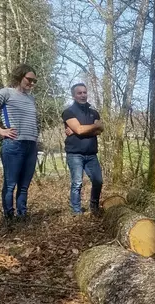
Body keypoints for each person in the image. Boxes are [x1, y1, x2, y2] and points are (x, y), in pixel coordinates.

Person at [0, 64, 40, 222]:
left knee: (24, 185)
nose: (31, 83)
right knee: (10, 184)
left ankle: (22, 218)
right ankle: (9, 219)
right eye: (29, 79)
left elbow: (34, 121)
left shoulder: (31, 98)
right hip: (14, 145)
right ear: (19, 76)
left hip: (31, 146)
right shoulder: (6, 93)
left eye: (34, 81)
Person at [62, 83, 104, 214]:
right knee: (77, 183)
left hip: (91, 154)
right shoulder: (68, 112)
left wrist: (77, 130)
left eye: (84, 92)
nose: (83, 95)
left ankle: (94, 207)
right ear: (74, 96)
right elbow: (80, 130)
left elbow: (100, 130)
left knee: (98, 181)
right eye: (79, 93)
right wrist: (90, 127)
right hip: (75, 154)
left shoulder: (94, 112)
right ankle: (76, 211)